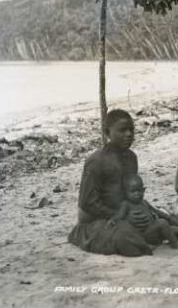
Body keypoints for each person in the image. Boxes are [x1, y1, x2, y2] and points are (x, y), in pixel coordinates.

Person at [68, 109, 152, 256]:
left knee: (159, 224)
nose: (128, 134)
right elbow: (87, 203)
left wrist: (139, 212)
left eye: (131, 130)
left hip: (122, 215)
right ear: (107, 133)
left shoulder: (131, 158)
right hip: (95, 222)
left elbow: (131, 193)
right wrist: (119, 215)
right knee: (124, 236)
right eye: (122, 130)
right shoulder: (96, 161)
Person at [110, 175, 178, 250]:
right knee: (161, 223)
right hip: (143, 235)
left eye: (139, 191)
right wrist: (114, 220)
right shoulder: (126, 204)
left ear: (143, 190)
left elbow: (156, 211)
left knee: (176, 228)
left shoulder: (143, 202)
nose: (137, 194)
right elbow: (120, 216)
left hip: (153, 232)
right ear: (126, 193)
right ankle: (175, 244)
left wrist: (169, 218)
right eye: (133, 192)